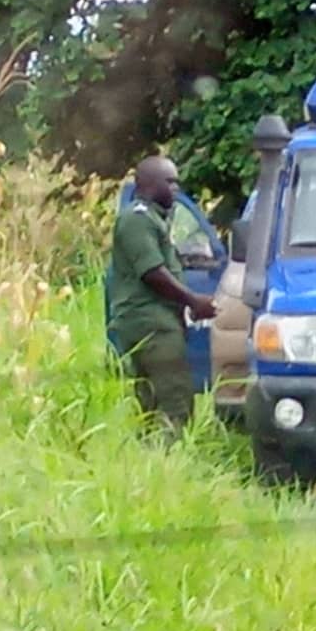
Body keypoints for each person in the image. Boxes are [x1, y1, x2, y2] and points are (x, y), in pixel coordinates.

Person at [107, 155, 218, 435]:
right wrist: (193, 301)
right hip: (150, 322)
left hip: (154, 320)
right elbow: (152, 272)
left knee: (152, 402)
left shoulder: (153, 218)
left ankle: (148, 460)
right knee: (175, 400)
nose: (175, 189)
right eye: (169, 182)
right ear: (148, 184)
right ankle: (166, 459)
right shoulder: (137, 219)